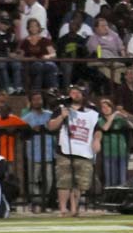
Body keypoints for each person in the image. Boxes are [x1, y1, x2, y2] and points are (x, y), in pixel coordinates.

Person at [47, 85, 102, 217]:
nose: (75, 95)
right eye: (72, 92)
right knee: (64, 181)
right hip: (64, 151)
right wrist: (61, 117)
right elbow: (50, 126)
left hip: (83, 149)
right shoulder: (61, 109)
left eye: (78, 92)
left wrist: (97, 140)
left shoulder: (92, 110)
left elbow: (97, 129)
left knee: (79, 182)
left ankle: (74, 208)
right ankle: (63, 209)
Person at [23, 91, 54, 210]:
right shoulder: (26, 118)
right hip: (33, 153)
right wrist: (31, 130)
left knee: (49, 179)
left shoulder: (50, 115)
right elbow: (23, 134)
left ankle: (44, 201)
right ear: (31, 102)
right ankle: (37, 202)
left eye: (39, 99)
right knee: (33, 180)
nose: (37, 101)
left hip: (48, 152)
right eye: (35, 99)